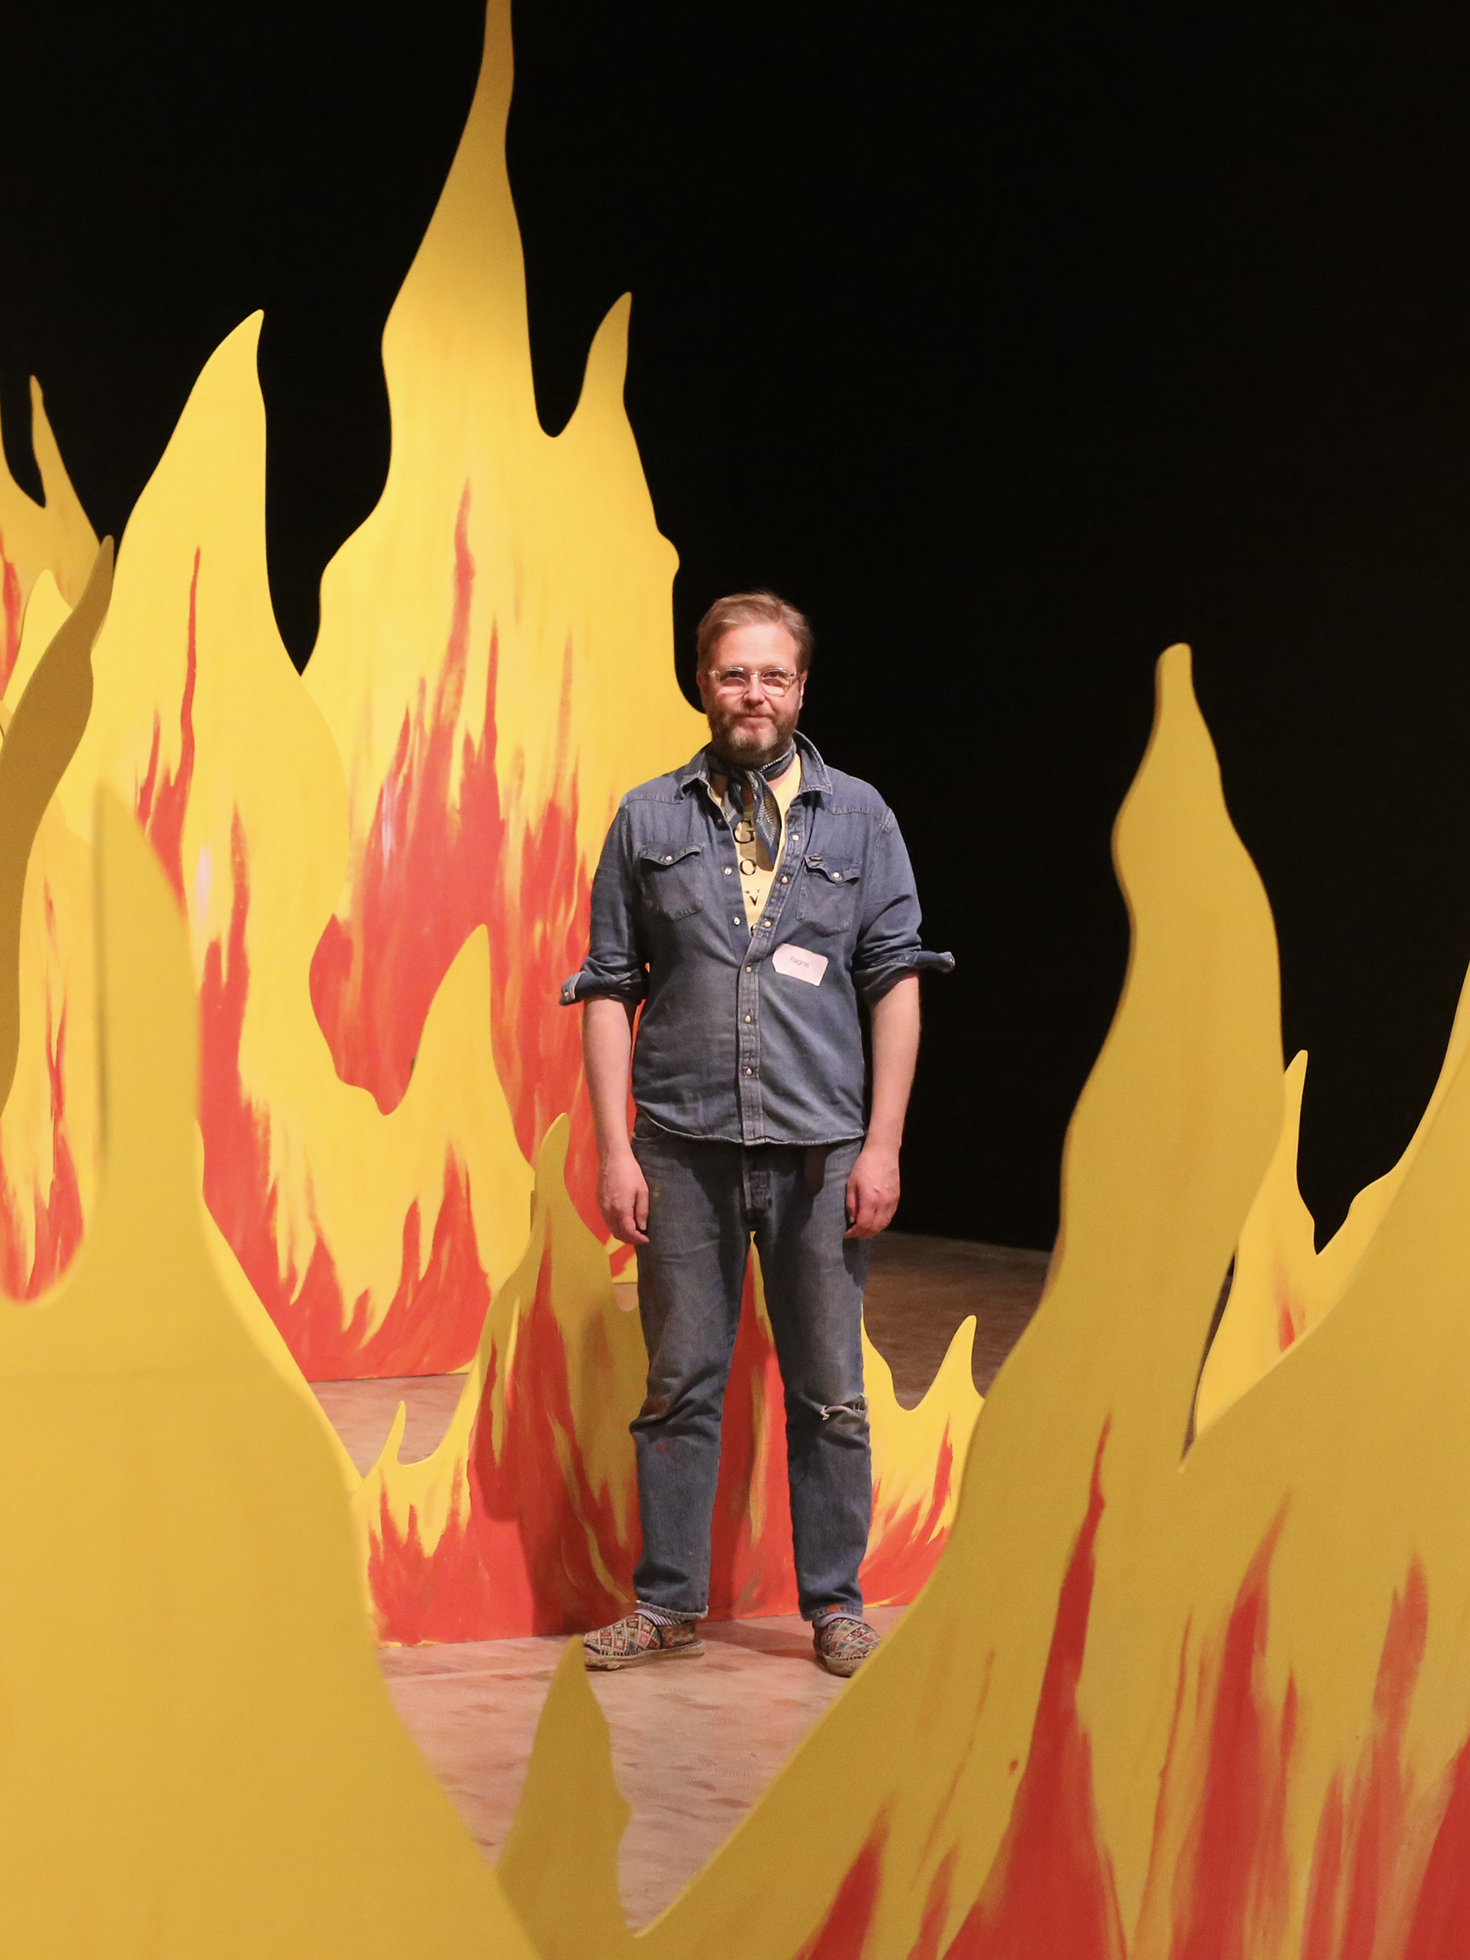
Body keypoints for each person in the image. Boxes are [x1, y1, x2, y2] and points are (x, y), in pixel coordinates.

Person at [559, 591, 952, 1676]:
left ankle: (836, 1606)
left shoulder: (861, 818)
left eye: (774, 676)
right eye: (734, 674)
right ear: (704, 682)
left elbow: (896, 982)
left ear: (802, 689)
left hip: (822, 1152)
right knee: (679, 1383)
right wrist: (614, 1148)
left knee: (831, 1393)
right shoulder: (647, 819)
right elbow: (607, 987)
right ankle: (668, 1602)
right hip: (680, 1146)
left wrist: (884, 1144)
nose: (754, 694)